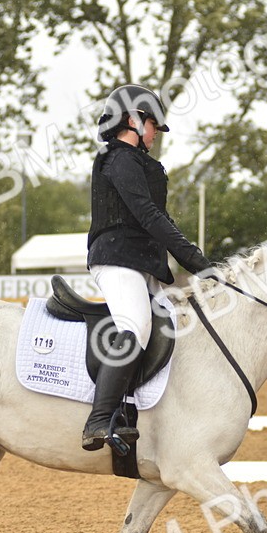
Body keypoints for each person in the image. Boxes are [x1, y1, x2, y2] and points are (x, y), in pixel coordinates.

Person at [80, 83, 215, 451]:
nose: (156, 133)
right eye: (153, 124)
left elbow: (158, 218)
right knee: (135, 325)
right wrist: (195, 261)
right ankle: (99, 419)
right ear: (134, 120)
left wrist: (197, 261)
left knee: (175, 326)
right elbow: (149, 216)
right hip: (117, 259)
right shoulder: (119, 159)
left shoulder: (137, 162)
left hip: (141, 263)